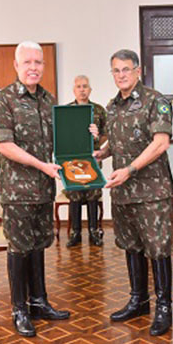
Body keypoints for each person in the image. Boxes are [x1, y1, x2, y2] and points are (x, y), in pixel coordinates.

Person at [0, 41, 70, 337]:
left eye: (39, 62)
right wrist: (40, 165)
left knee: (38, 245)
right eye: (28, 63)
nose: (34, 67)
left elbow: (62, 142)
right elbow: (5, 145)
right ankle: (19, 309)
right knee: (19, 249)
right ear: (16, 65)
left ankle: (39, 303)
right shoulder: (4, 100)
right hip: (17, 191)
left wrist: (86, 135)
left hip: (43, 189)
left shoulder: (49, 101)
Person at [93, 49, 173, 336]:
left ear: (138, 71)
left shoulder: (156, 101)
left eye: (126, 69)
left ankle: (164, 307)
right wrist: (98, 154)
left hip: (151, 190)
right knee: (131, 245)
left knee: (157, 248)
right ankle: (138, 300)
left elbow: (160, 143)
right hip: (123, 191)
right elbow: (115, 143)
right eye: (116, 70)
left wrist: (130, 170)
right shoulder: (112, 107)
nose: (121, 75)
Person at [65, 75, 107, 248]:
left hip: (93, 160)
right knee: (74, 196)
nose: (82, 89)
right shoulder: (66, 111)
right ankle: (75, 232)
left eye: (85, 86)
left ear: (90, 89)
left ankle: (93, 231)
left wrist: (98, 140)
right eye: (78, 87)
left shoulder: (98, 110)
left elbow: (107, 132)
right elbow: (61, 135)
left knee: (92, 195)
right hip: (73, 161)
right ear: (74, 90)